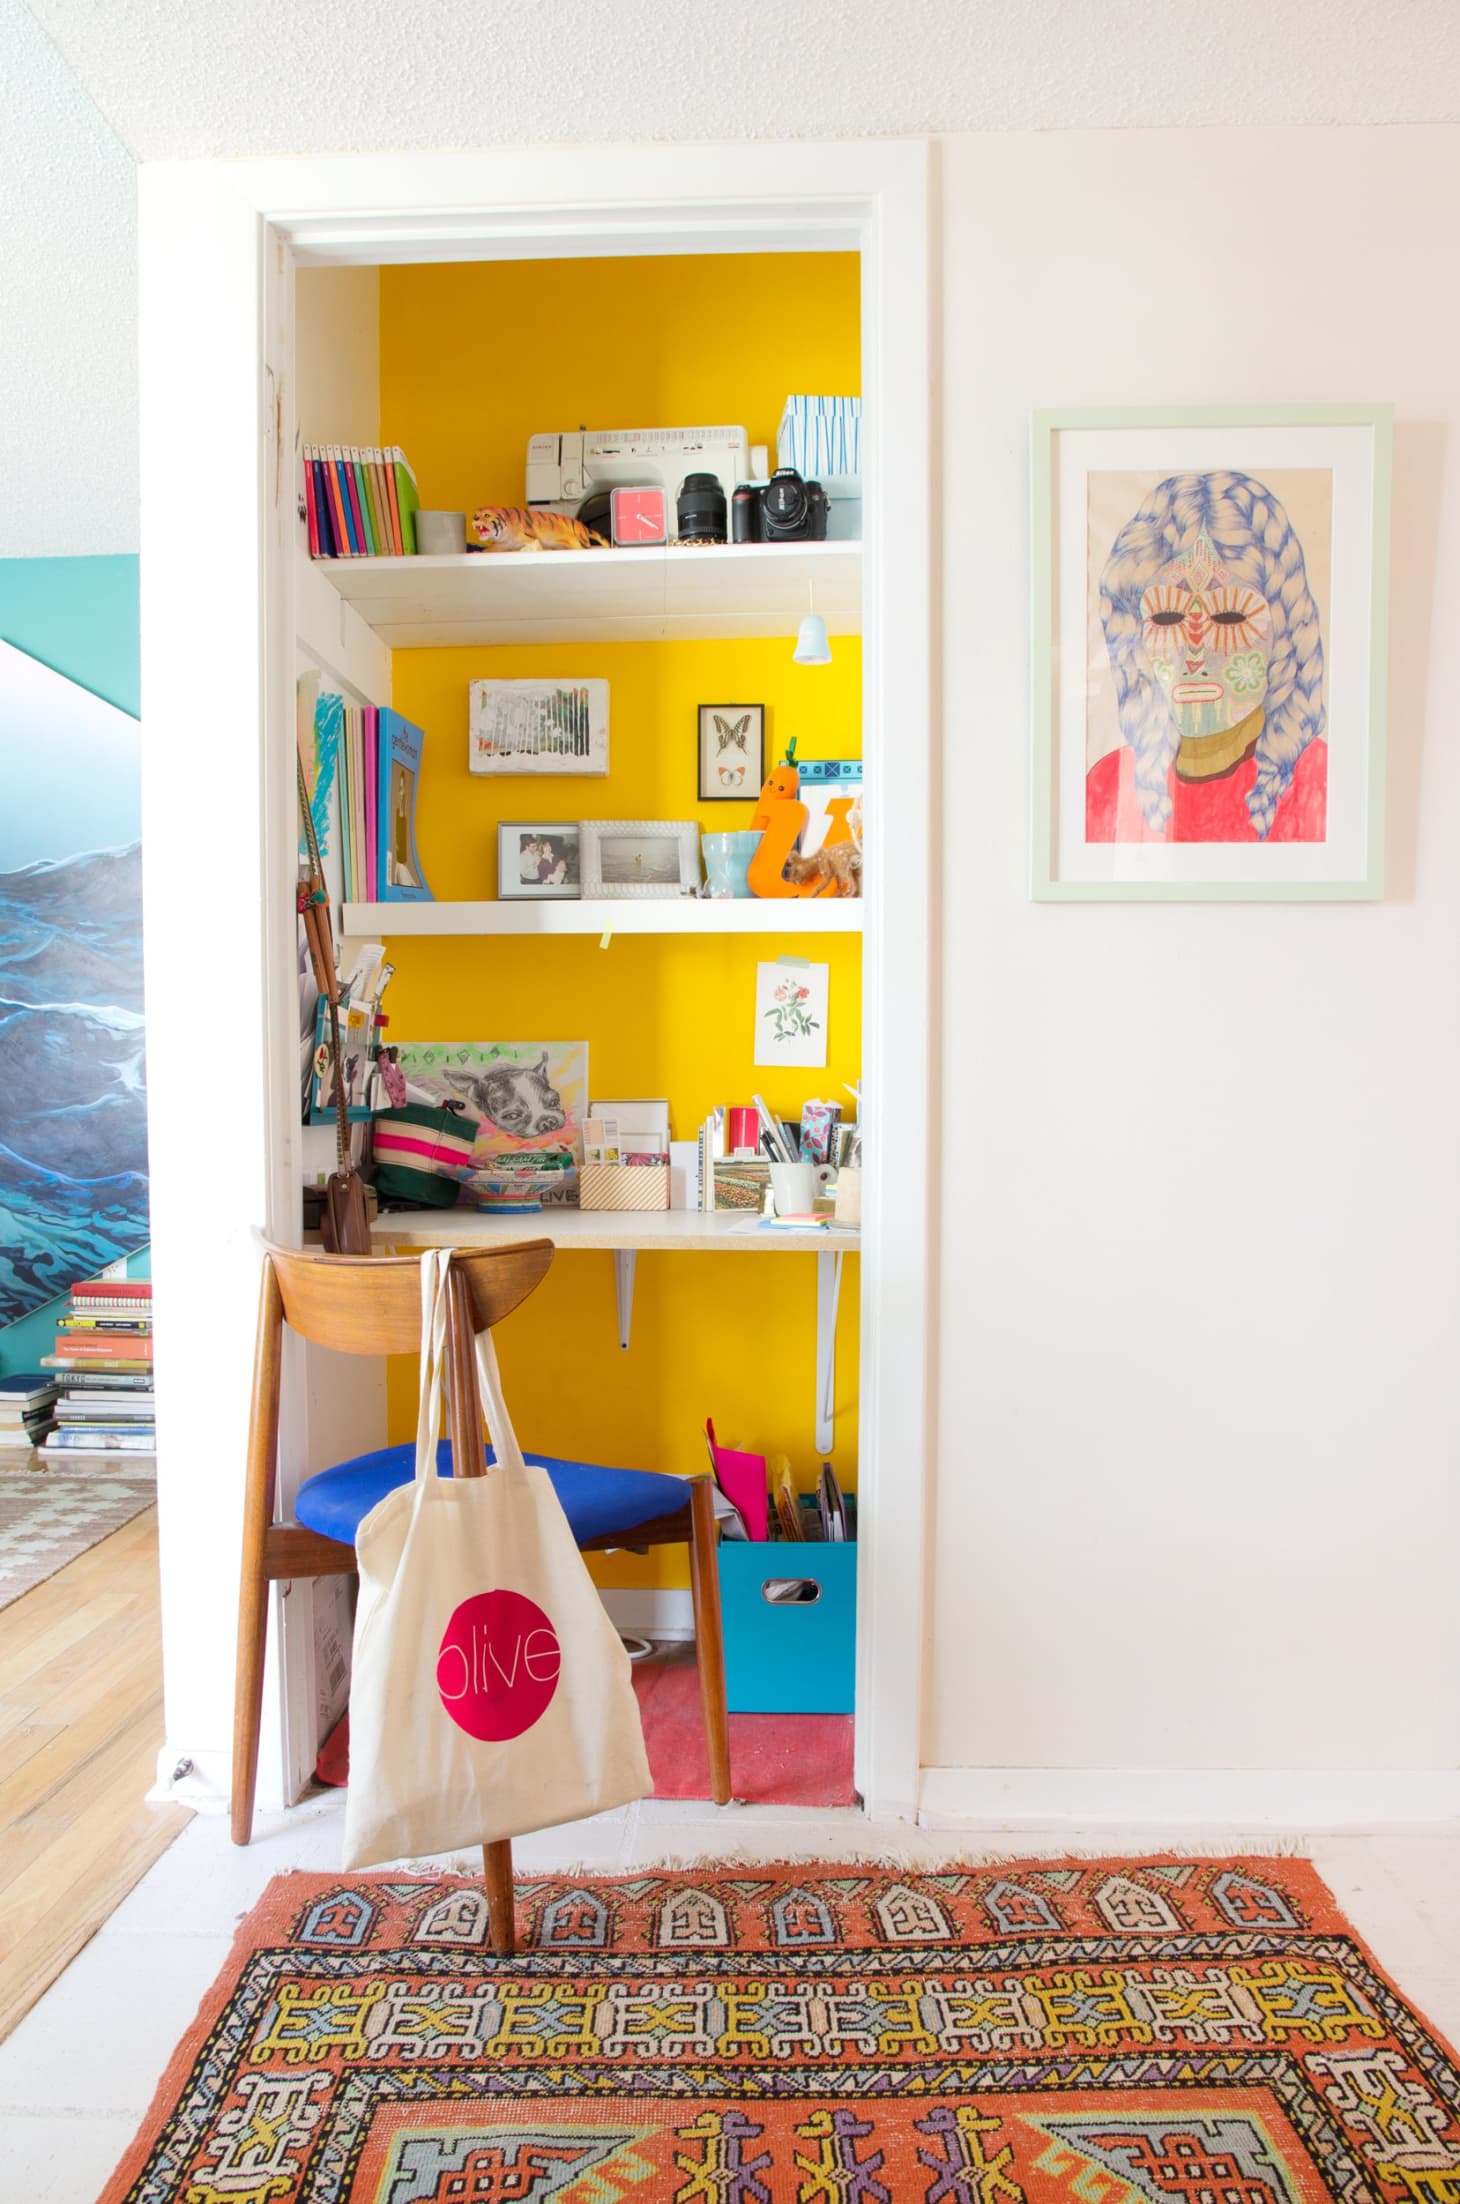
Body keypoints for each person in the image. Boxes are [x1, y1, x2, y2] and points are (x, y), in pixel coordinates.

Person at [1087, 471, 1326, 844]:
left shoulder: (1319, 781)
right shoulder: (1107, 787)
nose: (1193, 653)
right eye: (1168, 618)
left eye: (1228, 616)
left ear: (1282, 634)